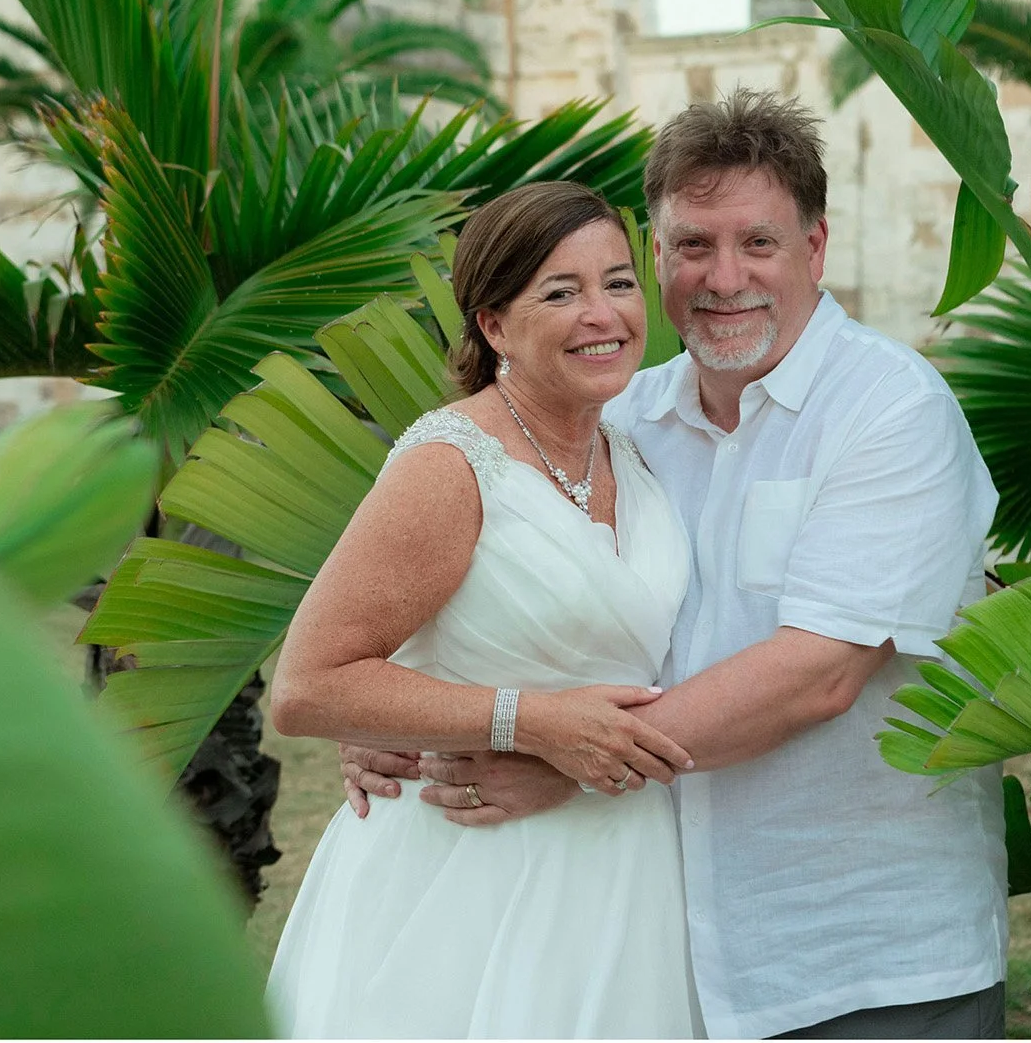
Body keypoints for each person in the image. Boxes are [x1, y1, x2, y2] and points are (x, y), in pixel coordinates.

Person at [344, 89, 1009, 1040]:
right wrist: (399, 719)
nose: (724, 277)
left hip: (859, 952)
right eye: (694, 244)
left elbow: (819, 672)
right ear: (658, 256)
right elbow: (524, 600)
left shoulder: (891, 410)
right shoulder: (620, 418)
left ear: (815, 247)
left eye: (758, 242)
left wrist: (571, 763)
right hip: (656, 948)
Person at [266, 180, 703, 1039]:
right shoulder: (453, 463)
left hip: (626, 869)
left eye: (618, 282)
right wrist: (526, 721)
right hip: (469, 871)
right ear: (494, 325)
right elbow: (306, 685)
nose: (603, 314)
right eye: (560, 292)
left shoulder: (634, 447)